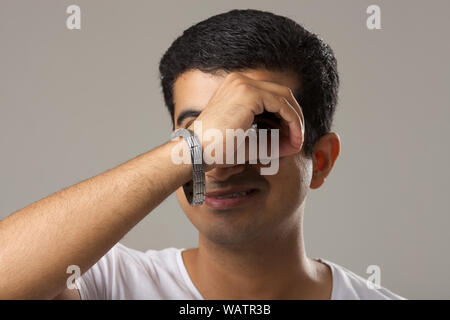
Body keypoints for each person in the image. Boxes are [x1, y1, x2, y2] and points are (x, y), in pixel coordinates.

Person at [0, 9, 404, 300]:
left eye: (257, 130)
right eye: (202, 132)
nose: (221, 164)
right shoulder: (107, 282)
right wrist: (191, 150)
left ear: (320, 160)